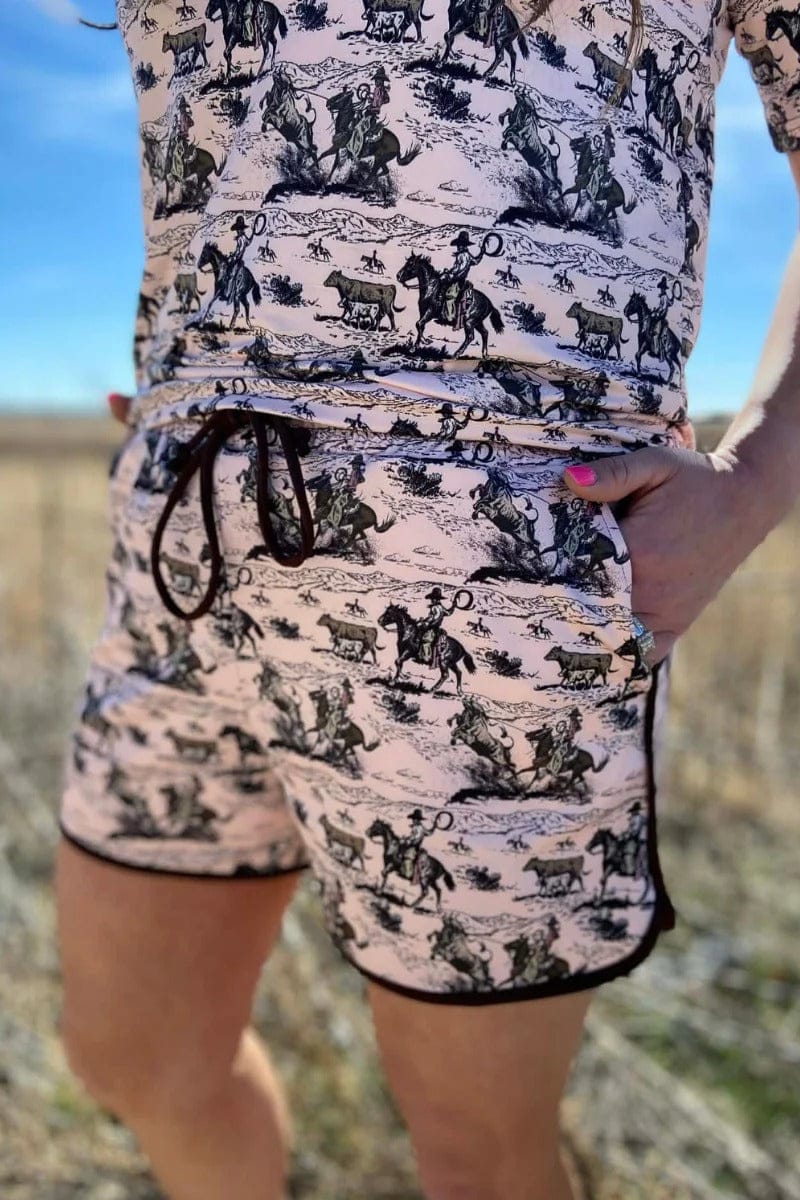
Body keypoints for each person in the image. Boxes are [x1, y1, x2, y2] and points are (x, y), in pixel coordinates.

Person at [58, 1, 800, 1199]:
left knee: (475, 1156)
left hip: (496, 579)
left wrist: (757, 478)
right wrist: (200, 352)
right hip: (184, 547)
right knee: (133, 1052)